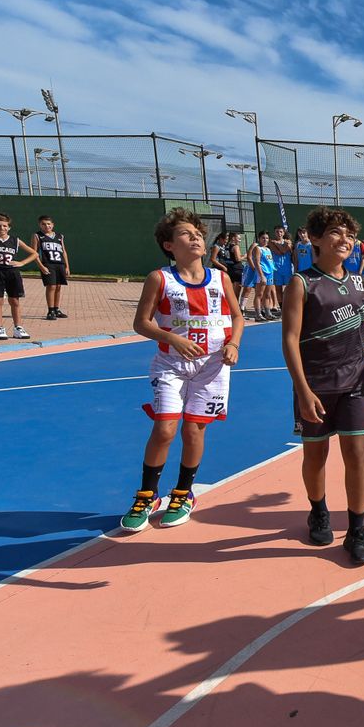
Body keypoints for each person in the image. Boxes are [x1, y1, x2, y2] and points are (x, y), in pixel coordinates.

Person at [282, 206, 364, 565]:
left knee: (357, 453)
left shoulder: (359, 282)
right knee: (315, 454)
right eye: (335, 232)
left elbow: (362, 326)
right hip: (316, 385)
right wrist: (303, 390)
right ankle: (318, 511)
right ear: (315, 239)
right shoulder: (302, 283)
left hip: (355, 383)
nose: (344, 239)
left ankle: (356, 530)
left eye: (349, 235)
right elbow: (290, 340)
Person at [118, 207, 245, 533]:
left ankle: (183, 493)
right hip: (171, 365)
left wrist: (233, 344)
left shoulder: (220, 278)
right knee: (165, 429)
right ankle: (147, 495)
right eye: (186, 234)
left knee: (194, 431)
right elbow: (141, 323)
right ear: (169, 245)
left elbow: (237, 316)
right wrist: (172, 337)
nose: (196, 238)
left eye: (199, 234)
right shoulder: (159, 279)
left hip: (213, 367)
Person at [0, 212, 38, 340]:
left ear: (9, 227)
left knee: (14, 301)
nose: (2, 228)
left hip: (12, 273)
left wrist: (22, 263)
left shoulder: (15, 240)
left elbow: (34, 253)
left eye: (5, 226)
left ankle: (18, 328)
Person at [33, 215, 71, 320]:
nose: (46, 226)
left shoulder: (59, 236)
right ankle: (50, 311)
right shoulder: (37, 236)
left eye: (48, 224)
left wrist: (67, 266)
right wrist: (41, 266)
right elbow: (34, 253)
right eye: (43, 224)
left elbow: (64, 252)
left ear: (53, 225)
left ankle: (56, 309)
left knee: (58, 286)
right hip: (48, 264)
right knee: (51, 286)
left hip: (60, 264)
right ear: (40, 225)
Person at [210, 231, 244, 304]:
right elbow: (213, 259)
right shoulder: (216, 247)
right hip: (219, 269)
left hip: (227, 269)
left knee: (228, 287)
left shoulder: (224, 247)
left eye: (227, 239)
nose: (226, 241)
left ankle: (229, 303)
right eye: (225, 239)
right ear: (221, 239)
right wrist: (223, 267)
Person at [270, 227, 294, 316]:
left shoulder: (288, 242)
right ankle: (282, 308)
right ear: (274, 233)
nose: (279, 233)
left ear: (283, 233)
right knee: (278, 289)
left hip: (287, 268)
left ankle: (289, 306)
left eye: (280, 232)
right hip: (276, 269)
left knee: (289, 289)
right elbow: (279, 252)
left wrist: (278, 244)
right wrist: (280, 245)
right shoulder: (271, 242)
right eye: (277, 232)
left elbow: (284, 251)